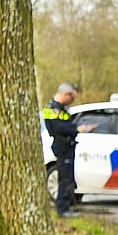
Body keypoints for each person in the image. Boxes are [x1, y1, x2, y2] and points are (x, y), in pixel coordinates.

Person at [41, 83, 95, 218]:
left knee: (68, 178)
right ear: (66, 94)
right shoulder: (52, 109)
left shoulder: (62, 109)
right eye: (72, 98)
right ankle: (62, 209)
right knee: (64, 179)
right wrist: (77, 129)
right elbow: (59, 128)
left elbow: (67, 124)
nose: (72, 101)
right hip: (62, 146)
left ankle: (67, 207)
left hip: (68, 146)